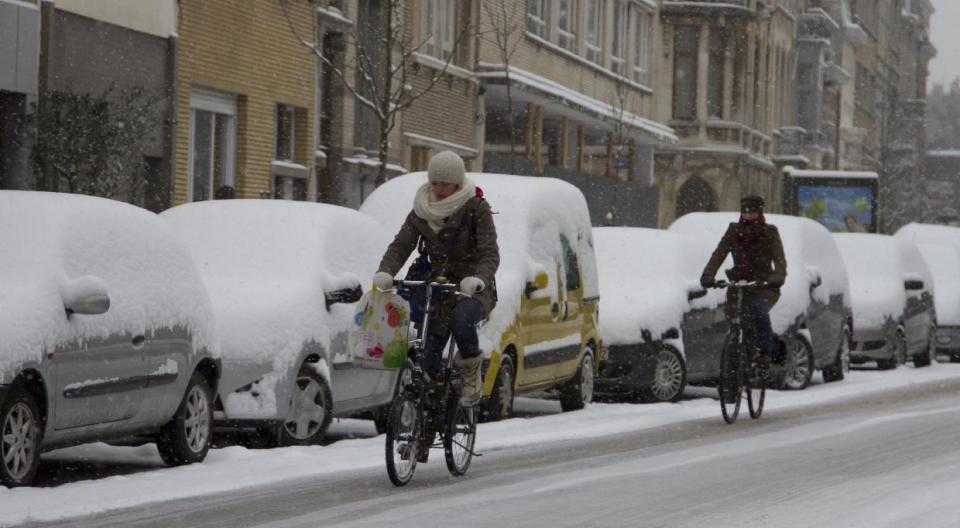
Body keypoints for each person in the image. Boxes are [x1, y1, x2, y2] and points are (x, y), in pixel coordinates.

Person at [372, 151, 499, 407]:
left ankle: (470, 372)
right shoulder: (422, 209)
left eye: (446, 183)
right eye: (435, 183)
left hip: (471, 288)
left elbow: (490, 253)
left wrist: (478, 279)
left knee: (461, 320)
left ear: (458, 183)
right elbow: (400, 246)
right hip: (437, 287)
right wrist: (386, 271)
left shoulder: (476, 208)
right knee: (426, 352)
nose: (440, 189)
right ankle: (423, 422)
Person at [699, 195, 787, 368]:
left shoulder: (770, 232)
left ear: (759, 211)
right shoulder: (734, 230)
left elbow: (779, 259)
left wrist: (777, 277)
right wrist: (708, 274)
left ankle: (764, 354)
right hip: (739, 283)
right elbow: (719, 253)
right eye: (745, 211)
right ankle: (734, 359)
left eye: (752, 211)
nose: (748, 215)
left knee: (759, 310)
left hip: (763, 285)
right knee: (733, 316)